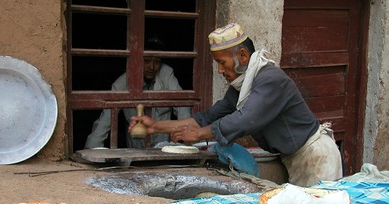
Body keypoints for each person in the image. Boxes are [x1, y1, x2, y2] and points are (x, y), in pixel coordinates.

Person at [129, 23, 343, 187]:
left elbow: (246, 119)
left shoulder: (270, 79)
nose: (220, 70)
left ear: (242, 56)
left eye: (222, 63)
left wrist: (200, 134)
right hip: (292, 159)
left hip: (315, 157)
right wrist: (155, 126)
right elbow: (206, 117)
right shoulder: (241, 88)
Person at [84, 36, 191, 149]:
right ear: (137, 60)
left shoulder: (166, 74)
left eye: (157, 61)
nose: (152, 66)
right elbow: (105, 121)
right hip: (136, 149)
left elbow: (182, 106)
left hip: (163, 148)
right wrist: (90, 151)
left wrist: (186, 144)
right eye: (147, 61)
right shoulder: (122, 83)